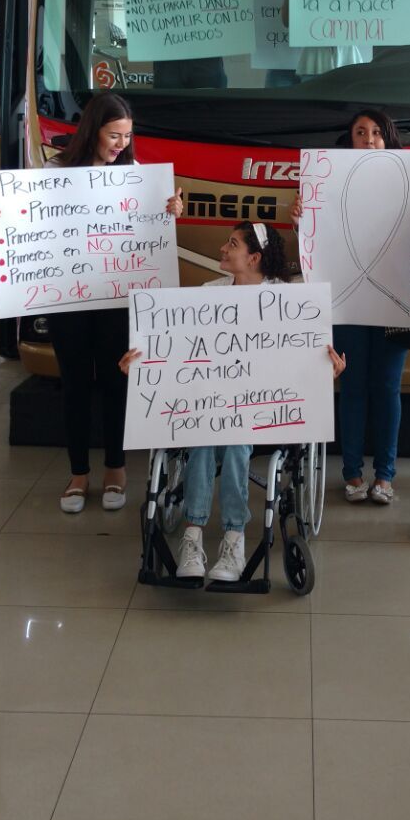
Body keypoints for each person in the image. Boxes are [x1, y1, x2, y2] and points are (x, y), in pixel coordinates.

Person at [0, 92, 183, 513]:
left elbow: (151, 226)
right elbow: (24, 216)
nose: (120, 144)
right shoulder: (56, 171)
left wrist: (171, 210)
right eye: (114, 135)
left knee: (115, 381)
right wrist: (0, 216)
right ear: (93, 130)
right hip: (66, 297)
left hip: (115, 297)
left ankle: (115, 468)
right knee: (73, 383)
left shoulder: (136, 174)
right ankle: (77, 473)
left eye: (127, 136)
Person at [120, 220, 346, 582]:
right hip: (212, 406)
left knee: (237, 439)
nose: (223, 249)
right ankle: (193, 536)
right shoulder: (209, 294)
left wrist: (326, 372)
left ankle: (234, 537)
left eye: (232, 244)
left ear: (254, 257)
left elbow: (302, 360)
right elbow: (180, 353)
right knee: (204, 436)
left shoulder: (289, 302)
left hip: (265, 410)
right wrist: (144, 368)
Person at [292, 108, 407, 505]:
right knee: (353, 386)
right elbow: (318, 247)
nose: (370, 139)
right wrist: (302, 223)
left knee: (388, 389)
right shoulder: (328, 187)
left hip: (393, 305)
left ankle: (386, 476)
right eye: (361, 132)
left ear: (388, 139)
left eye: (378, 132)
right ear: (350, 140)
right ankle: (353, 472)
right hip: (347, 303)